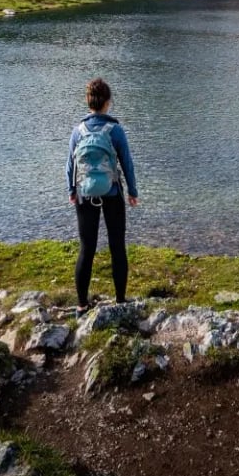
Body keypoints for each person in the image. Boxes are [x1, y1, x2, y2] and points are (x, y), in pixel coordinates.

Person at [67, 76, 139, 309]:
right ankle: (119, 300)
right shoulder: (115, 130)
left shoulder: (77, 131)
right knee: (117, 246)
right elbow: (127, 163)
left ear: (88, 102)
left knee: (86, 248)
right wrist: (132, 191)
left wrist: (72, 190)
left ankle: (81, 304)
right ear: (108, 102)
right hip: (111, 193)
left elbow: (71, 165)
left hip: (85, 195)